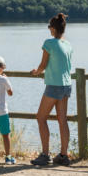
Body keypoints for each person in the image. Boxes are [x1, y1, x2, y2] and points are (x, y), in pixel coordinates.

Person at [30, 13, 73, 166]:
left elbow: (43, 65)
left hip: (54, 85)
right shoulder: (68, 44)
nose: (49, 30)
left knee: (41, 118)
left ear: (53, 29)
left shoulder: (49, 43)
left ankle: (45, 155)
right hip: (66, 85)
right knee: (63, 120)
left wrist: (36, 72)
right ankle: (63, 155)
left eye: (49, 27)